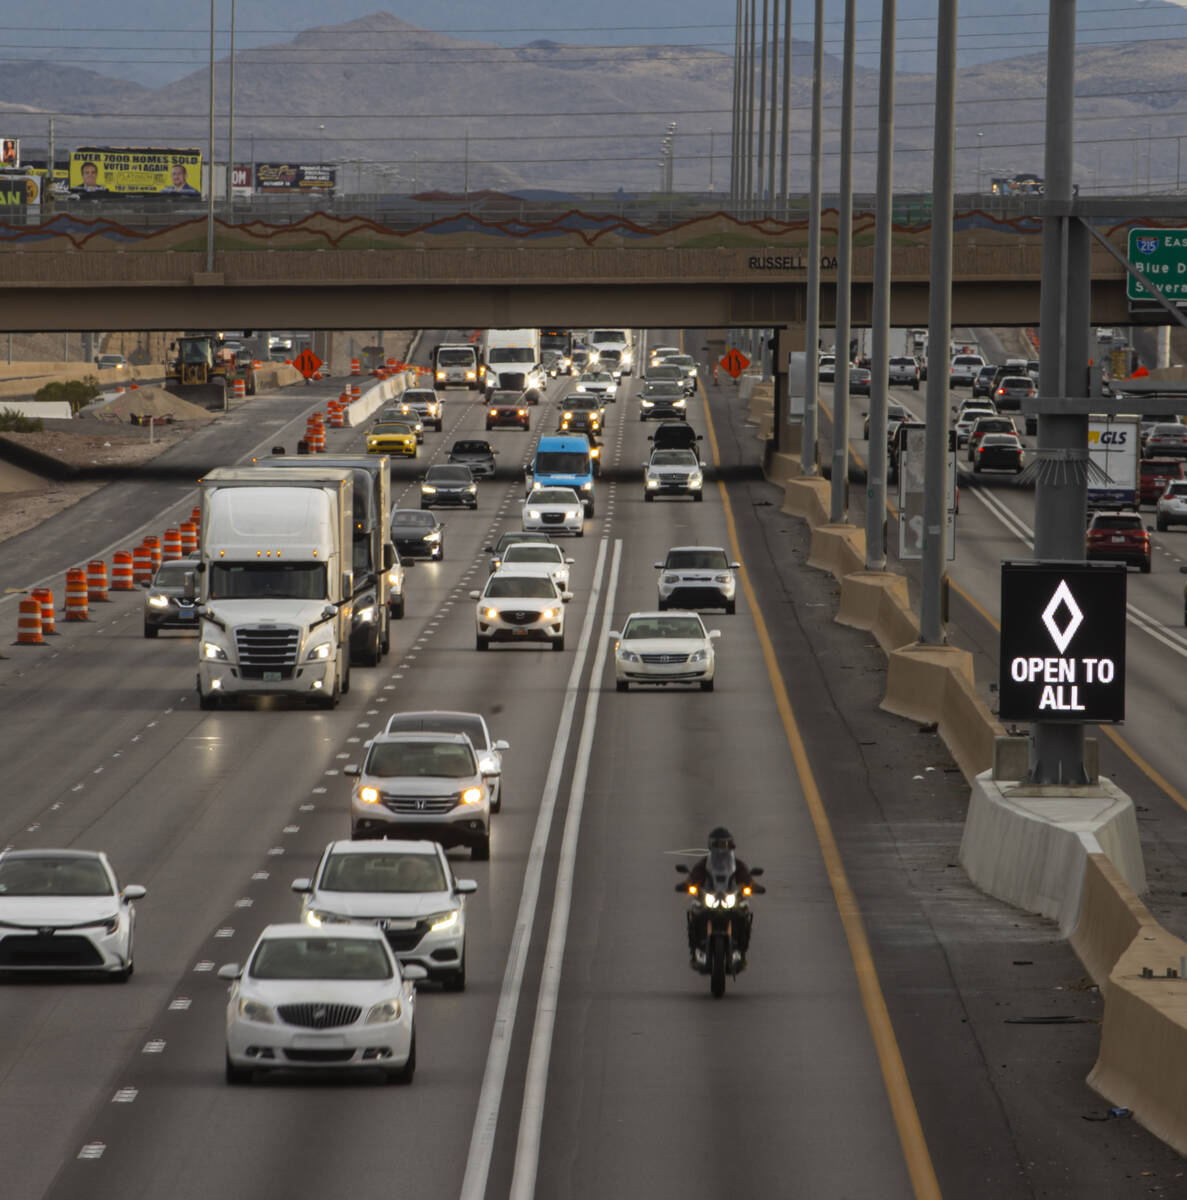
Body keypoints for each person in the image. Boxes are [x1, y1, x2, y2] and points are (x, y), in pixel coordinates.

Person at [680, 827, 763, 962]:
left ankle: (740, 949)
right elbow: (695, 875)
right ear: (711, 845)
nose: (720, 848)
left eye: (723, 844)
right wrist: (688, 884)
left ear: (730, 845)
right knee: (696, 912)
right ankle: (697, 948)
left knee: (743, 914)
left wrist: (753, 886)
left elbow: (746, 877)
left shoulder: (737, 864)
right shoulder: (704, 863)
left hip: (730, 897)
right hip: (709, 897)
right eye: (717, 844)